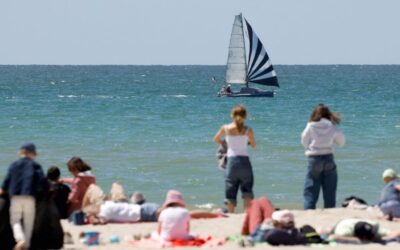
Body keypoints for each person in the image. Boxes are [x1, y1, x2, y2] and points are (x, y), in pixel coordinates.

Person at [0, 143, 46, 250]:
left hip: (15, 196)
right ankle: (27, 245)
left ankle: (20, 240)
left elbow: (7, 181)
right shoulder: (35, 165)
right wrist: (48, 188)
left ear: (21, 152)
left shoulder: (14, 164)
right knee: (28, 222)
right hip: (30, 196)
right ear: (31, 153)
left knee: (15, 220)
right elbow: (42, 181)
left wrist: (3, 190)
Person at [301, 104, 345, 210]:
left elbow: (304, 141)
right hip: (328, 158)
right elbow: (341, 142)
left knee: (311, 190)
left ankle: (309, 212)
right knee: (330, 191)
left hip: (314, 159)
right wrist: (331, 141)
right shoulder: (331, 126)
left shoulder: (310, 126)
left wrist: (310, 146)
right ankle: (329, 211)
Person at [214, 105, 256, 213]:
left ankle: (231, 215)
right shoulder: (248, 130)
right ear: (245, 116)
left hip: (231, 162)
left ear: (232, 115)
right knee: (247, 191)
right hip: (244, 161)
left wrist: (224, 143)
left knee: (230, 189)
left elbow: (216, 139)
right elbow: (254, 145)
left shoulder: (226, 128)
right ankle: (246, 215)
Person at [329, 218, 400, 243]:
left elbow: (395, 233)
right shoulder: (344, 232)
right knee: (327, 230)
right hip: (342, 223)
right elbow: (333, 237)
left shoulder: (373, 225)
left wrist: (383, 238)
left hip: (356, 221)